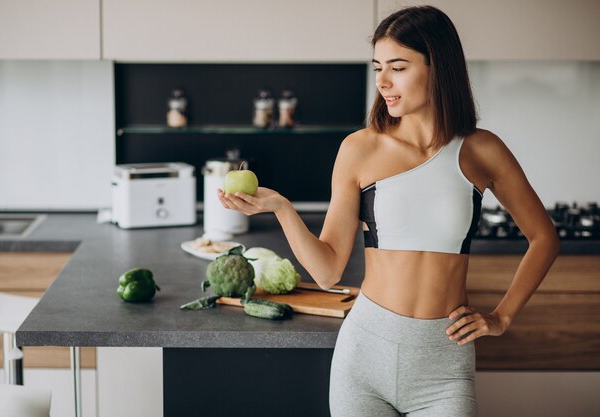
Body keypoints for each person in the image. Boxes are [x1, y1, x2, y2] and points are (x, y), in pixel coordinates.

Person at [218, 5, 560, 416]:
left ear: (438, 67)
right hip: (365, 354)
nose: (382, 81)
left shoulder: (482, 150)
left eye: (397, 67)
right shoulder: (360, 148)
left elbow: (544, 238)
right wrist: (281, 208)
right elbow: (328, 271)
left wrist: (502, 317)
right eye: (378, 66)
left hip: (444, 365)